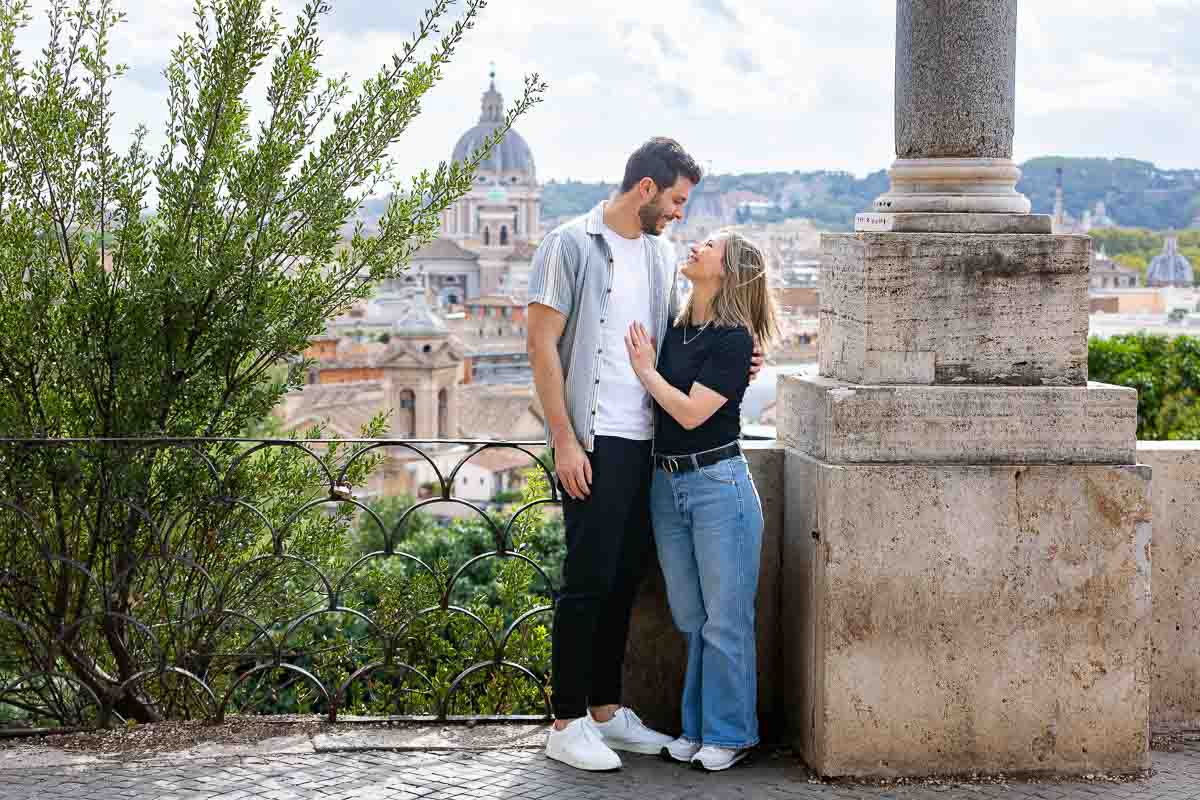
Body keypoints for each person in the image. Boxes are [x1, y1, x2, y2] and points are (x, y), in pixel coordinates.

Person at [528, 138, 761, 772]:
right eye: (679, 201)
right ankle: (566, 720)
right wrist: (564, 440)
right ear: (648, 190)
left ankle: (604, 712)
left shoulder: (660, 257)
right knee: (587, 581)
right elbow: (541, 347)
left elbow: (688, 337)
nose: (682, 216)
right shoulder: (569, 243)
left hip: (648, 449)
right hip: (594, 441)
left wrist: (747, 358)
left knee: (625, 579)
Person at [624, 230, 779, 772]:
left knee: (725, 620)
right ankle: (696, 728)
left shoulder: (734, 338)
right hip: (668, 485)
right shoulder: (679, 329)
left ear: (729, 269)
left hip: (718, 487)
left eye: (708, 246)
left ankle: (732, 733)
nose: (696, 247)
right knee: (691, 617)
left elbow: (691, 413)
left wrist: (647, 372)